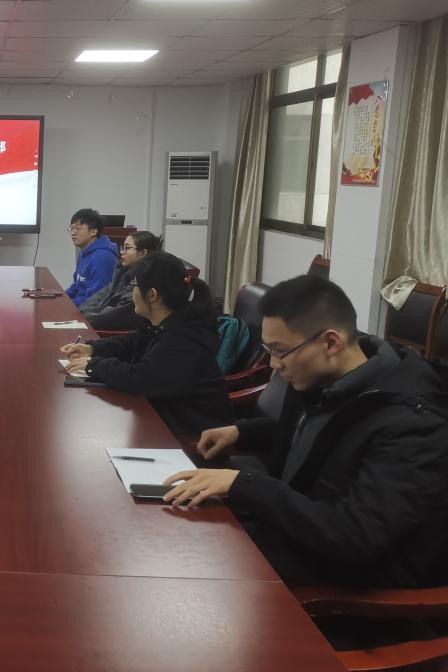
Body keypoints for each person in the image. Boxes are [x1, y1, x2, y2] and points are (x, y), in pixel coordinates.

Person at [162, 275, 448, 589]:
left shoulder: (412, 425)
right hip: (291, 537)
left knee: (182, 575)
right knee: (172, 535)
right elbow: (320, 433)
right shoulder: (328, 377)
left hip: (339, 580)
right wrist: (241, 432)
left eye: (280, 351)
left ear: (331, 343)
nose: (273, 364)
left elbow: (355, 536)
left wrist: (244, 485)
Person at [62, 251, 232, 437]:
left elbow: (140, 378)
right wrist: (93, 348)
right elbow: (131, 342)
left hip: (191, 434)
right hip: (163, 415)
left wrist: (94, 365)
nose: (132, 293)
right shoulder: (166, 322)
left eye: (134, 286)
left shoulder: (181, 339)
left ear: (152, 295)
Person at [79, 230, 162, 330]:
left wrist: (86, 316)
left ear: (143, 253)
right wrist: (85, 313)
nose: (122, 252)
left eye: (127, 248)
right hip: (99, 323)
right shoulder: (122, 273)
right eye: (123, 247)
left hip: (116, 331)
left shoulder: (141, 282)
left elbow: (110, 318)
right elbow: (96, 298)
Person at [64, 208, 118, 307]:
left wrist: (67, 304)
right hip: (80, 305)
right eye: (71, 228)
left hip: (91, 311)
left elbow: (96, 299)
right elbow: (76, 285)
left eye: (78, 228)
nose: (73, 233)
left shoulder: (102, 257)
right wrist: (62, 297)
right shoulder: (84, 251)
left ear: (93, 231)